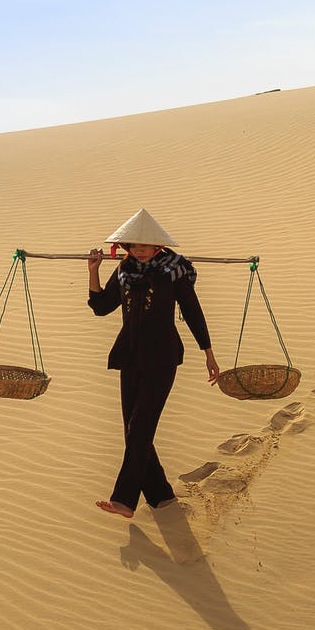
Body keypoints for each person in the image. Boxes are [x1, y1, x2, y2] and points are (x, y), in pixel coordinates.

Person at [87, 208, 219, 518]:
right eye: (133, 245)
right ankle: (161, 496)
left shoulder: (174, 271)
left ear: (158, 245)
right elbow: (101, 307)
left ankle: (124, 500)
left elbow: (193, 312)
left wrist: (208, 353)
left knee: (140, 427)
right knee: (132, 428)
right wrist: (92, 270)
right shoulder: (124, 271)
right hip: (130, 356)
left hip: (162, 358)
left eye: (144, 245)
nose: (139, 250)